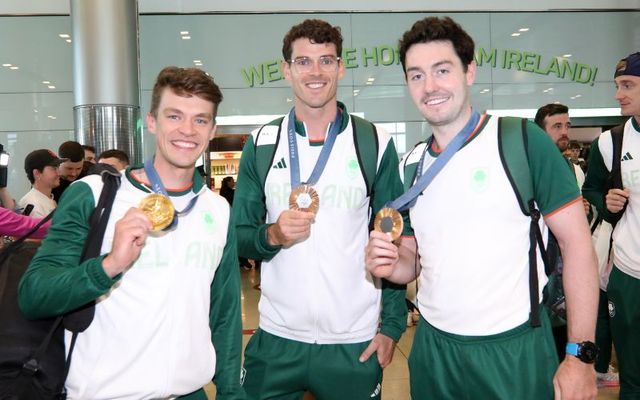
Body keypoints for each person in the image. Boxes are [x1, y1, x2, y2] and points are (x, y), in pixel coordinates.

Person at [365, 17, 598, 399]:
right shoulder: (412, 165)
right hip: (434, 350)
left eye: (442, 70)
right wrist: (391, 264)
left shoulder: (522, 142)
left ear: (469, 71)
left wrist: (580, 356)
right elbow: (413, 261)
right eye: (417, 75)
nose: (430, 86)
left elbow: (578, 247)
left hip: (514, 350)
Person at [18, 66, 244, 399]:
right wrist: (108, 266)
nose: (187, 130)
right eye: (174, 116)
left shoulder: (218, 209)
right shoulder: (94, 194)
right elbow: (34, 295)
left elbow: (225, 314)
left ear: (212, 130)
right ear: (152, 122)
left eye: (200, 120)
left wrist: (231, 393)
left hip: (190, 393)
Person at [233, 18, 406, 399]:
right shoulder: (262, 143)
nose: (315, 72)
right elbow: (238, 238)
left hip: (353, 342)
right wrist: (273, 235)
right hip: (277, 338)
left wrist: (392, 326)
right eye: (303, 61)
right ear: (286, 69)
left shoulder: (373, 141)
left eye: (326, 61)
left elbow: (395, 235)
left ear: (341, 67)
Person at [583, 51, 640, 398]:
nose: (618, 94)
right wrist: (607, 203)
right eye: (618, 85)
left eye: (628, 85)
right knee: (632, 375)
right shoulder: (610, 141)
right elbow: (592, 188)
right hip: (629, 273)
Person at [17, 149, 65, 218]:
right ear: (37, 173)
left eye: (58, 167)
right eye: (54, 168)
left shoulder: (44, 199)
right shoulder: (34, 205)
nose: (59, 173)